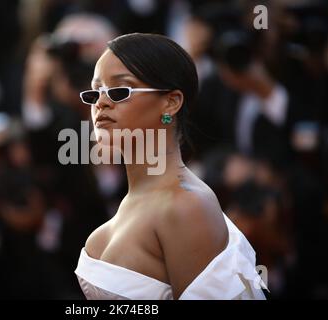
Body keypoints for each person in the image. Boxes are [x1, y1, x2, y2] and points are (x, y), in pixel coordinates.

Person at [74, 33, 267, 300]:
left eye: (120, 91)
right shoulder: (127, 209)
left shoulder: (187, 205)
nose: (101, 103)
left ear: (171, 102)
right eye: (95, 92)